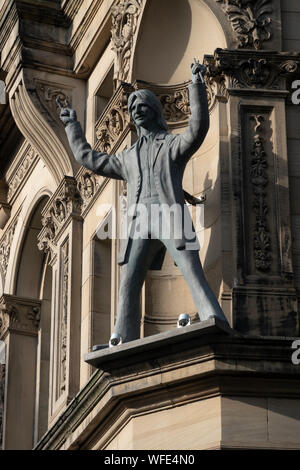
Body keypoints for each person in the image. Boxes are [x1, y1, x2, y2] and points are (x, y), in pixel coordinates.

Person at [58, 60, 229, 344]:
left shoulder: (172, 145)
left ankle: (213, 315)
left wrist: (197, 85)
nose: (136, 109)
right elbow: (89, 158)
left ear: (154, 111)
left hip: (170, 213)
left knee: (189, 266)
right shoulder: (126, 158)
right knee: (129, 280)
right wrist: (72, 126)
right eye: (132, 107)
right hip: (139, 219)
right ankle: (121, 337)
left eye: (142, 105)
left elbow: (197, 129)